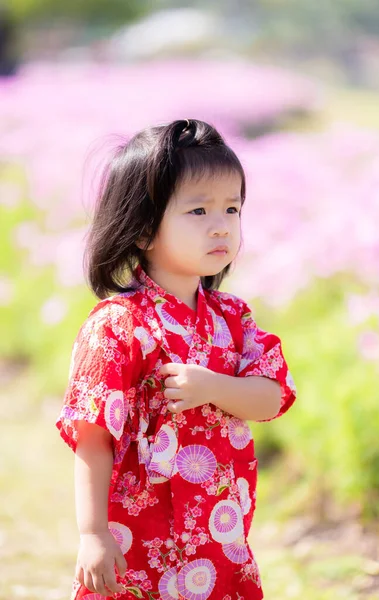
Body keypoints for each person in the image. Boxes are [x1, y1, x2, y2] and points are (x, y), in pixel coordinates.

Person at [56, 118, 297, 600]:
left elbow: (271, 397)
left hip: (217, 531)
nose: (221, 225)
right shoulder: (117, 325)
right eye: (199, 210)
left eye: (232, 208)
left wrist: (214, 387)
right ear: (144, 230)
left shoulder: (233, 317)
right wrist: (92, 533)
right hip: (138, 537)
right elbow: (93, 436)